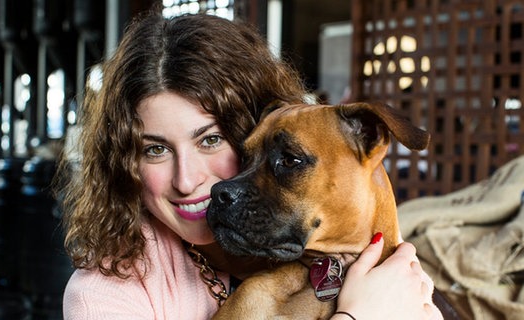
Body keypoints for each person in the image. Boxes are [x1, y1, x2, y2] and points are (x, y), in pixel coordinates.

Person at [58, 11, 442, 320]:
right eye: (155, 150)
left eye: (210, 140)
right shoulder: (103, 297)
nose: (188, 179)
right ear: (124, 161)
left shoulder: (393, 284)